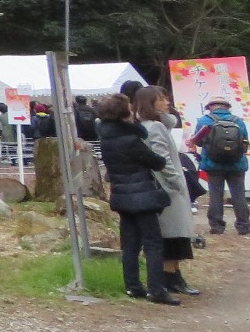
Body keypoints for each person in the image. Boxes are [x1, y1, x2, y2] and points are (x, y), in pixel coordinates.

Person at [98, 93, 177, 305]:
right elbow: (157, 162)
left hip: (121, 195)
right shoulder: (132, 139)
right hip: (143, 195)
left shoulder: (105, 138)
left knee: (130, 244)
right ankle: (157, 289)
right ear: (125, 113)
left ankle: (133, 286)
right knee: (152, 244)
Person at [134, 86, 199, 296]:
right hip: (167, 189)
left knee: (173, 233)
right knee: (173, 235)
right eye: (161, 99)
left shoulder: (152, 125)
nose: (167, 102)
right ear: (150, 103)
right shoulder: (154, 127)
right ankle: (172, 277)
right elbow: (163, 158)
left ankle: (174, 275)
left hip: (164, 187)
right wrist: (176, 181)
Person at [191, 97, 250, 236]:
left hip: (213, 164)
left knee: (216, 194)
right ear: (227, 107)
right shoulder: (238, 121)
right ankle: (243, 226)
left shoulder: (204, 121)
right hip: (236, 164)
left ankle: (217, 227)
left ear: (211, 107)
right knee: (239, 195)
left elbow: (198, 142)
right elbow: (245, 141)